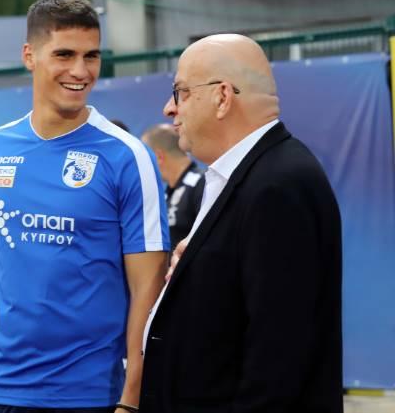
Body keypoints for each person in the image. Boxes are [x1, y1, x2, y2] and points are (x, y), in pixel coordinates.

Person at [0, 0, 169, 413]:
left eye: (91, 56)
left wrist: (132, 399)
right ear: (29, 55)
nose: (80, 71)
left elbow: (147, 288)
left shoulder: (127, 156)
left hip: (88, 394)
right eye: (64, 54)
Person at [140, 34, 342, 413]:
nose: (169, 108)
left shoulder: (277, 185)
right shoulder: (244, 177)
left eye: (181, 92)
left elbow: (278, 354)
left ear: (222, 97)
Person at [141, 124, 204, 249]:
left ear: (159, 157)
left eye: (143, 158)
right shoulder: (166, 195)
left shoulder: (203, 184)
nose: (141, 166)